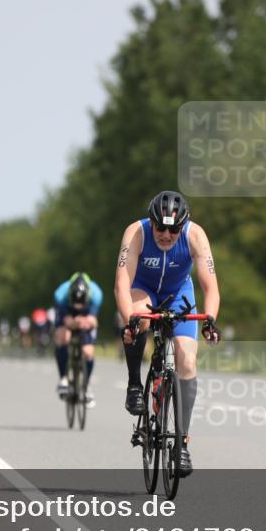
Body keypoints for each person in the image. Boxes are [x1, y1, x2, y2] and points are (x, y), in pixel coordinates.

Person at [115, 190, 220, 477]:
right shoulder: (136, 232)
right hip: (142, 290)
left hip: (178, 294)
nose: (165, 234)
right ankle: (135, 384)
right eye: (160, 227)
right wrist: (130, 322)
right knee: (141, 319)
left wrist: (210, 320)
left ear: (182, 226)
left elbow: (210, 288)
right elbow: (121, 284)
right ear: (152, 222)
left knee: (187, 361)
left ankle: (182, 444)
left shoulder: (195, 235)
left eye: (173, 229)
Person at [53, 272, 103, 405]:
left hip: (86, 315)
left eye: (81, 304)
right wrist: (73, 323)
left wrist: (87, 322)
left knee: (88, 352)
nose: (78, 307)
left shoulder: (96, 294)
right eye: (76, 303)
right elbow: (67, 321)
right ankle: (63, 378)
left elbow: (93, 320)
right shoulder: (60, 294)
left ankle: (86, 385)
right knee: (63, 337)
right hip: (67, 312)